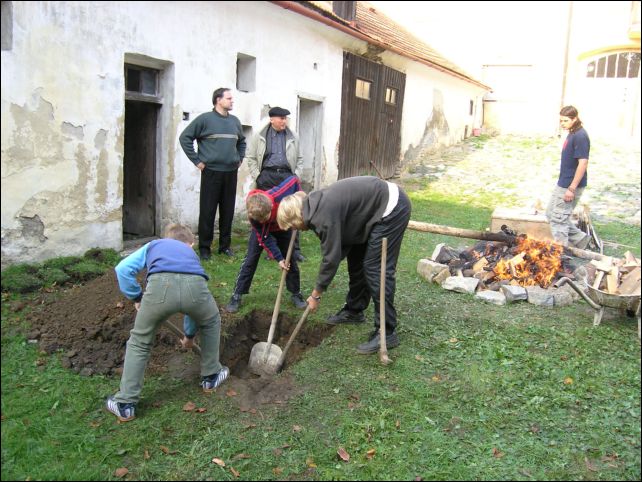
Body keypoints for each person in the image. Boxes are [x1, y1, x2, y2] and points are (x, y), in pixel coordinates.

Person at [106, 224, 229, 422]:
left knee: (140, 341)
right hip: (195, 287)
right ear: (191, 243)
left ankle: (125, 403)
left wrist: (136, 297)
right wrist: (189, 336)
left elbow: (122, 269)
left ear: (166, 238)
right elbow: (192, 311)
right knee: (210, 321)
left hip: (159, 288)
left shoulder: (154, 245)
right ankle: (211, 376)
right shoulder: (191, 256)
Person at [276, 176, 412, 354]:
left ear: (295, 217)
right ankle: (354, 311)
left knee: (375, 269)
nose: (295, 229)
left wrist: (316, 294)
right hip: (369, 212)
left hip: (391, 208)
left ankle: (387, 332)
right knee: (356, 262)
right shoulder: (313, 204)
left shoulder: (322, 216)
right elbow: (338, 248)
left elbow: (330, 258)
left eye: (291, 225)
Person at [179, 87, 246, 260]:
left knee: (228, 211)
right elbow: (185, 137)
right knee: (208, 211)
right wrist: (197, 161)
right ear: (218, 100)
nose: (232, 101)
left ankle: (225, 246)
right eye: (229, 98)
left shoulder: (235, 122)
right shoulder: (205, 120)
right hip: (211, 172)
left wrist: (239, 158)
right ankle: (204, 248)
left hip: (231, 172)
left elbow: (242, 141)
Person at [226, 175, 307, 312]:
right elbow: (265, 238)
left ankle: (295, 293)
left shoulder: (279, 194)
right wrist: (278, 259)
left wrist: (299, 202)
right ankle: (237, 295)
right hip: (263, 233)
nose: (263, 221)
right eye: (260, 220)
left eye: (266, 218)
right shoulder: (254, 216)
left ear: (271, 207)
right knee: (250, 260)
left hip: (283, 226)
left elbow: (294, 180)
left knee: (290, 259)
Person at [246, 106, 306, 262]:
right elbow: (251, 158)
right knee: (269, 211)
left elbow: (300, 159)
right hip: (266, 176)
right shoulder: (259, 136)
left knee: (293, 209)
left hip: (287, 176)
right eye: (281, 118)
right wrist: (258, 176)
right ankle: (271, 250)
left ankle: (294, 250)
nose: (284, 121)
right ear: (272, 119)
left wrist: (296, 176)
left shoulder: (293, 136)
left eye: (285, 118)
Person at [546, 105, 591, 249]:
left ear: (575, 119)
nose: (562, 124)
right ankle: (581, 239)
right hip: (563, 183)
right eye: (561, 121)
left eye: (565, 121)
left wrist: (571, 189)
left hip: (570, 185)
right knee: (550, 214)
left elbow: (583, 163)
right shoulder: (572, 133)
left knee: (559, 220)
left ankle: (559, 255)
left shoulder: (581, 136)